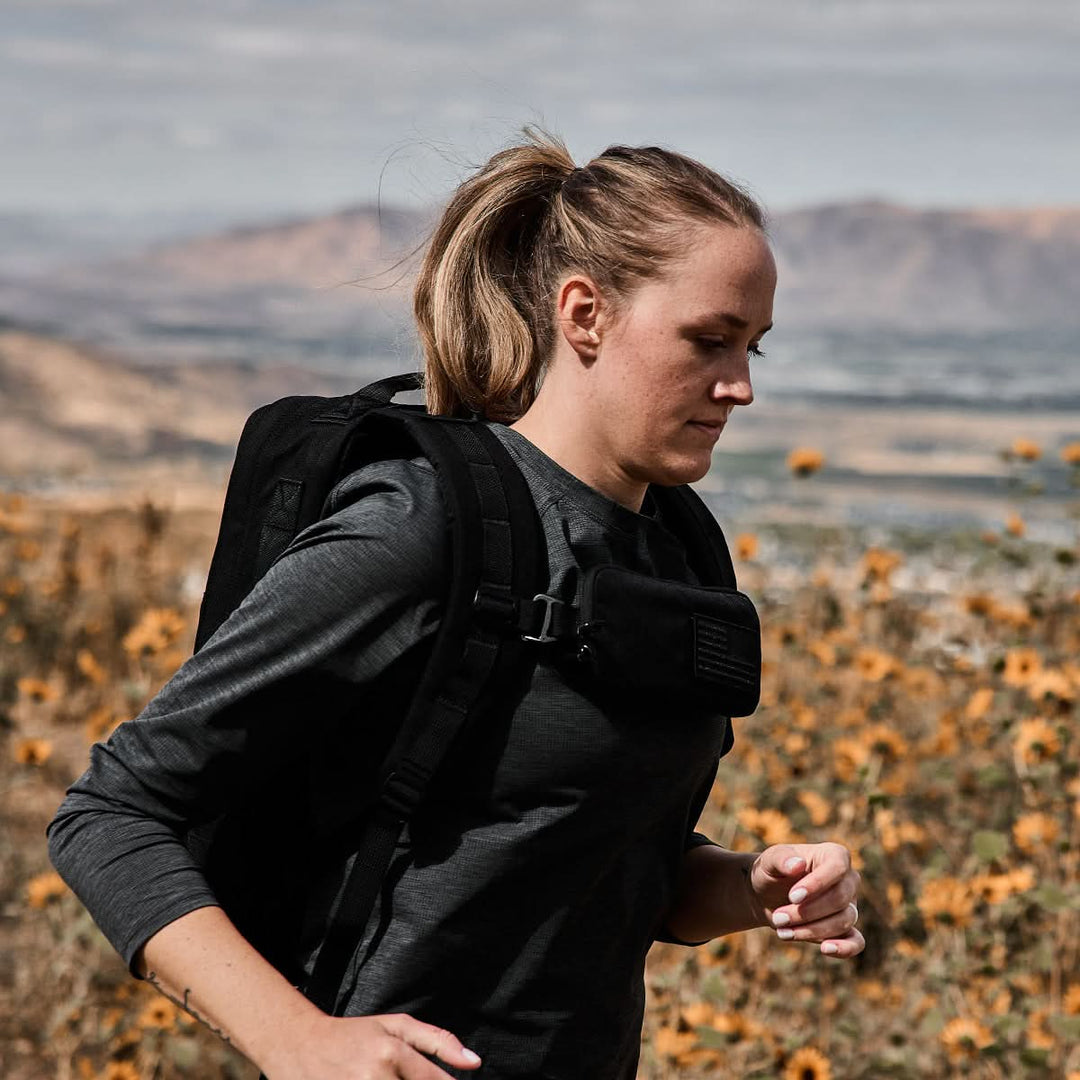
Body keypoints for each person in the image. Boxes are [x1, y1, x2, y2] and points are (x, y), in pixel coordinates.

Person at [46, 129, 863, 1080]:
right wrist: (297, 1039)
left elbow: (611, 867)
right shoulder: (423, 525)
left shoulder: (679, 553)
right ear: (585, 313)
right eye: (709, 340)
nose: (742, 387)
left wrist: (750, 888)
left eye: (754, 347)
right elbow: (110, 812)